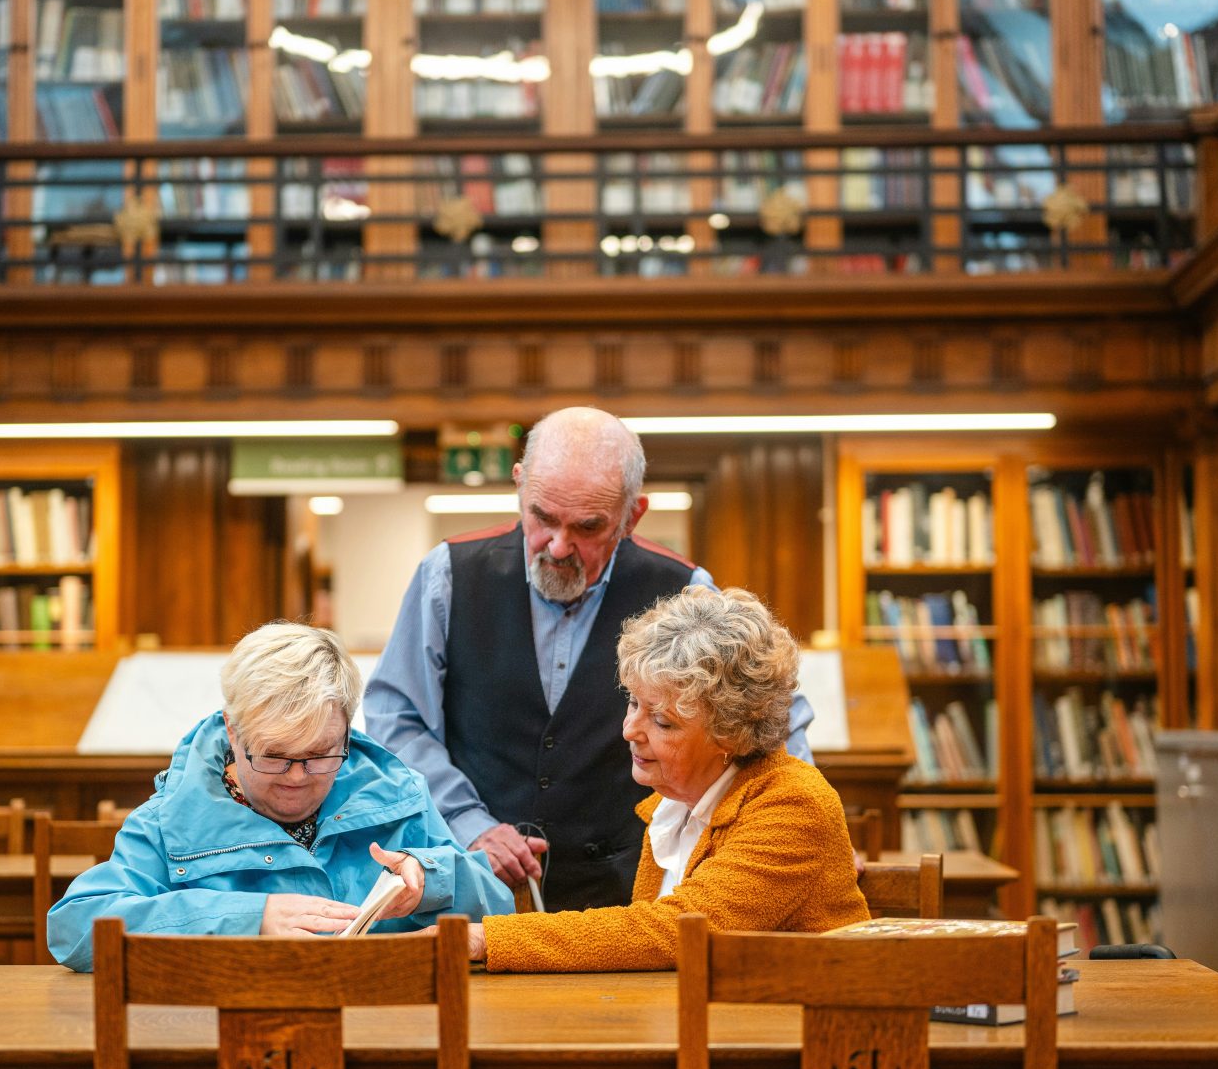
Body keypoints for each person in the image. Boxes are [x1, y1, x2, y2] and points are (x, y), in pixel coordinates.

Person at [363, 406, 814, 912]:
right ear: (519, 484)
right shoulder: (447, 577)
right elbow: (396, 719)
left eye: (587, 527)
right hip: (476, 883)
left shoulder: (683, 590)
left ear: (632, 515)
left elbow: (770, 719)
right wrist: (470, 822)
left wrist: (796, 825)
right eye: (542, 517)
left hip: (629, 892)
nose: (558, 546)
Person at [48, 620, 513, 972]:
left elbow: (499, 908)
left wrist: (431, 878)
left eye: (319, 755)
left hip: (389, 1043)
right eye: (273, 756)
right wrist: (249, 919)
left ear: (346, 731)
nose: (296, 777)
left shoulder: (398, 795)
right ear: (232, 732)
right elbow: (75, 927)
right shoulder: (172, 819)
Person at [461, 586, 868, 971]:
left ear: (731, 733)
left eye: (661, 721)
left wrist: (486, 939)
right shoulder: (671, 802)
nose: (629, 731)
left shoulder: (794, 802)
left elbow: (674, 930)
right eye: (633, 702)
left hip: (805, 1032)